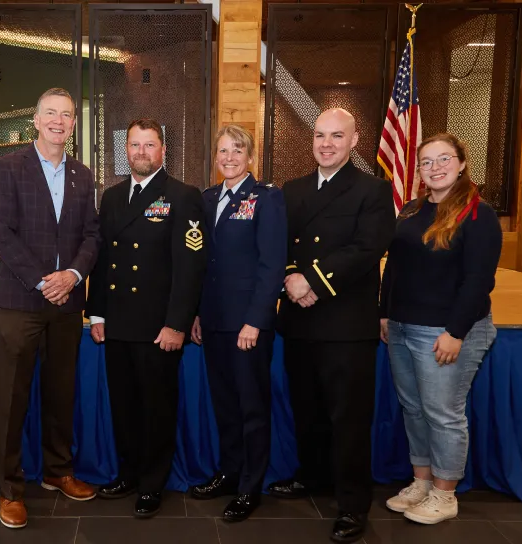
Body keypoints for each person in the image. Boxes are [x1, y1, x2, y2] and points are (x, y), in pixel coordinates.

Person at [269, 108, 395, 543]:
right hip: (301, 320)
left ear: (354, 140)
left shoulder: (374, 190)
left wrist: (313, 281)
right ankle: (312, 477)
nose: (326, 143)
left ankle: (353, 504)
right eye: (320, 135)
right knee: (308, 411)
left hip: (345, 325)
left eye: (336, 136)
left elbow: (366, 249)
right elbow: (282, 242)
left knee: (349, 419)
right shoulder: (294, 189)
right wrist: (291, 278)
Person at [0, 88, 101, 529]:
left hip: (68, 301)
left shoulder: (83, 174)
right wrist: (42, 280)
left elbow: (92, 235)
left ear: (74, 124)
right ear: (35, 120)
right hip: (21, 300)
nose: (59, 121)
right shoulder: (9, 167)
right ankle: (10, 489)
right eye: (50, 113)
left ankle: (58, 471)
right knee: (12, 396)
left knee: (60, 392)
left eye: (67, 115)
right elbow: (1, 233)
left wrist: (71, 276)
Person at [86, 118, 207, 518]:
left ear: (163, 150)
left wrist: (176, 323)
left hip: (159, 327)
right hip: (118, 323)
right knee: (124, 405)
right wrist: (97, 312)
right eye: (135, 145)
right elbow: (103, 261)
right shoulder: (114, 196)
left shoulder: (183, 196)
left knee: (156, 408)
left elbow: (190, 267)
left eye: (149, 145)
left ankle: (152, 484)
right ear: (127, 150)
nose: (141, 152)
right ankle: (128, 473)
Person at [380, 133, 501, 525]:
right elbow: (394, 266)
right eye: (426, 162)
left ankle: (445, 494)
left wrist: (456, 331)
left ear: (463, 162)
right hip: (400, 327)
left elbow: (478, 280)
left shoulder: (478, 214)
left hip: (445, 332)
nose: (435, 168)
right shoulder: (412, 211)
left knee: (443, 414)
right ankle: (422, 481)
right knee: (414, 409)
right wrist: (385, 314)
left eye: (443, 159)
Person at [189, 124, 286, 522]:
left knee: (251, 408)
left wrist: (256, 321)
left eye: (237, 151)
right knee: (225, 405)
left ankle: (250, 485)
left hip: (247, 326)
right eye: (223, 151)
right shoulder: (208, 198)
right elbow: (201, 264)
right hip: (213, 321)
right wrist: (196, 312)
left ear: (250, 157)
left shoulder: (267, 198)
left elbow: (271, 265)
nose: (229, 158)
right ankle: (229, 472)